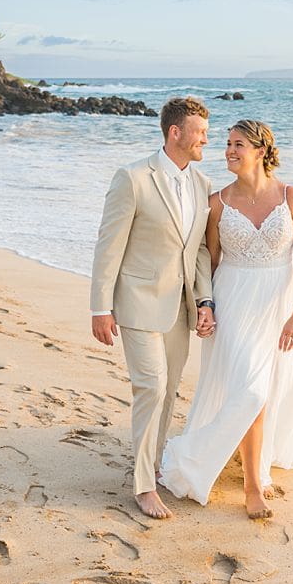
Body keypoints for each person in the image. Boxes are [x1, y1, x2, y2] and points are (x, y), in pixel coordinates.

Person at [160, 119, 293, 519]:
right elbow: (210, 263)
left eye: (238, 144)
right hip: (233, 301)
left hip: (278, 303)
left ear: (261, 149)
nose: (229, 151)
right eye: (227, 144)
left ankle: (249, 456)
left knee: (265, 388)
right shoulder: (217, 202)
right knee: (250, 391)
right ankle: (254, 485)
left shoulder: (291, 198)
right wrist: (205, 306)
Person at [90, 96, 217, 520]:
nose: (206, 139)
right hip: (138, 301)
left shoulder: (202, 186)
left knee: (169, 392)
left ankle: (155, 464)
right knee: (152, 387)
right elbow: (109, 246)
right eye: (200, 131)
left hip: (179, 309)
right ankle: (143, 486)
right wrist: (100, 308)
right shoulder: (132, 179)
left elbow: (198, 249)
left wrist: (204, 299)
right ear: (174, 133)